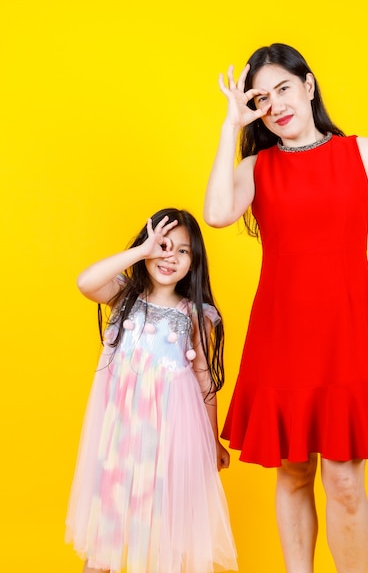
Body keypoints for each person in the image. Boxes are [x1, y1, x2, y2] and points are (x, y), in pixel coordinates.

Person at [204, 43, 368, 573]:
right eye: (261, 98)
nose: (275, 106)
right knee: (293, 471)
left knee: (344, 478)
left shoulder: (362, 153)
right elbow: (216, 212)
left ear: (309, 85)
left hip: (345, 333)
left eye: (284, 89)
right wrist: (231, 126)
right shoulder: (256, 165)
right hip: (281, 335)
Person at [65, 208, 238, 573]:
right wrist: (141, 251)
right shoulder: (124, 296)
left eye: (182, 251)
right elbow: (85, 282)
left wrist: (212, 441)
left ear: (194, 263)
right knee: (105, 536)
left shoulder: (193, 314)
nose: (169, 256)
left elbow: (204, 381)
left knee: (165, 536)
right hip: (122, 439)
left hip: (170, 443)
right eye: (163, 245)